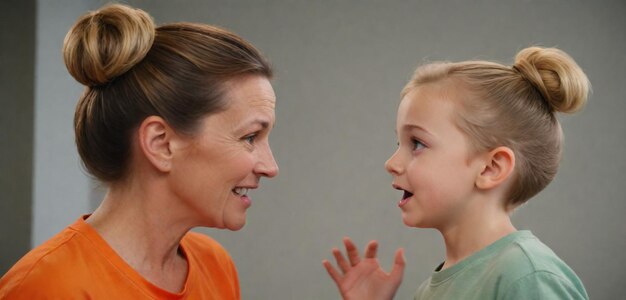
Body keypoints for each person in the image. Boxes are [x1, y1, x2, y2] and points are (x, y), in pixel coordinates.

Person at [0, 3, 278, 299]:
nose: (270, 167)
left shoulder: (215, 264)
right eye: (250, 137)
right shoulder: (48, 287)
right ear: (161, 143)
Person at [323, 46, 590, 300]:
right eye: (398, 143)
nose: (391, 163)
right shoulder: (429, 291)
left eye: (417, 143)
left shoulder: (526, 276)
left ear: (491, 168)